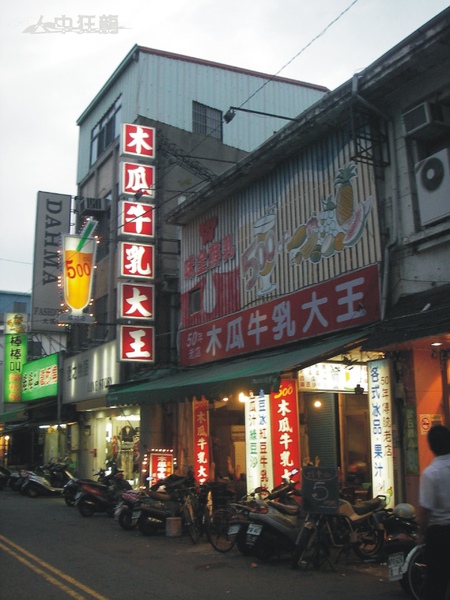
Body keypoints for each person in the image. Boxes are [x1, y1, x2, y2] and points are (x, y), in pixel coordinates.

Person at [417, 424, 450, 600]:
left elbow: (425, 508)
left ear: (430, 446)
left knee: (437, 582)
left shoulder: (431, 473)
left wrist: (420, 533)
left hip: (440, 534)